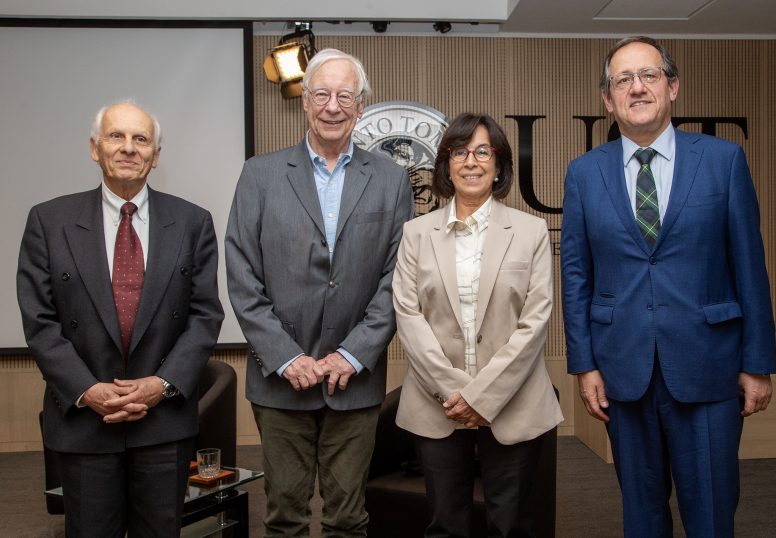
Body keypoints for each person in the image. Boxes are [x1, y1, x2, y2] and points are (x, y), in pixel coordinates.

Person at [561, 36, 776, 537]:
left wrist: (757, 363)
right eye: (623, 80)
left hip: (709, 365)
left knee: (712, 511)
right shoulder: (584, 173)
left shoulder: (723, 160)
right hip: (623, 369)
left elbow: (750, 267)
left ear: (672, 87)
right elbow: (576, 275)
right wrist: (584, 364)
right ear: (608, 98)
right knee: (642, 512)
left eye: (649, 75)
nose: (637, 87)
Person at [225, 48, 413, 537]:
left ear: (361, 106)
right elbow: (242, 275)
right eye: (322, 94)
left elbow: (398, 279)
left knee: (348, 519)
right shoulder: (259, 175)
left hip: (355, 381)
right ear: (305, 101)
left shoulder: (391, 181)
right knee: (284, 517)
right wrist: (287, 357)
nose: (333, 106)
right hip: (279, 382)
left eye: (345, 96)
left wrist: (353, 354)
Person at [16, 101, 224, 537]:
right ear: (95, 149)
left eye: (141, 139)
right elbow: (39, 320)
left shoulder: (192, 222)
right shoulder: (49, 221)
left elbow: (205, 315)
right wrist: (88, 389)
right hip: (84, 420)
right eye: (116, 136)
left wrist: (160, 385)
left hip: (162, 422)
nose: (129, 148)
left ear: (156, 156)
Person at [393, 113, 563, 537]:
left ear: (499, 164)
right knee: (445, 526)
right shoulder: (416, 233)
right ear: (446, 165)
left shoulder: (530, 231)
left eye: (483, 151)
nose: (471, 161)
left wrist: (482, 396)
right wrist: (455, 393)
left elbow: (535, 322)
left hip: (515, 401)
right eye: (460, 152)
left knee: (511, 526)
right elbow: (408, 317)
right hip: (438, 403)